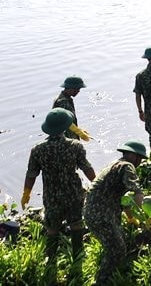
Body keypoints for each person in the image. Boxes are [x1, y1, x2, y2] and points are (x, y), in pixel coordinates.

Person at [22, 108, 96, 279]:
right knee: (77, 224)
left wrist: (26, 193)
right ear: (65, 128)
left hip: (52, 196)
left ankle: (50, 262)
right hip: (73, 194)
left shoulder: (38, 150)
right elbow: (87, 168)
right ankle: (77, 259)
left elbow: (31, 174)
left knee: (52, 229)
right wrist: (97, 184)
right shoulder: (75, 146)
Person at [84, 141, 147, 285]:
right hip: (101, 214)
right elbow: (136, 192)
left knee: (117, 244)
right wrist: (145, 217)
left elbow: (125, 200)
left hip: (94, 213)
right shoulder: (127, 166)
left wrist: (131, 218)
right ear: (134, 156)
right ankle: (101, 281)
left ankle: (114, 277)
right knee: (117, 250)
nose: (140, 162)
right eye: (140, 158)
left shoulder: (114, 165)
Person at [53, 75, 91, 141]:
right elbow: (65, 121)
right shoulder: (63, 102)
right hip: (64, 138)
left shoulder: (66, 98)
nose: (78, 91)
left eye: (79, 89)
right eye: (76, 89)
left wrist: (79, 130)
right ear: (69, 88)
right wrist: (79, 132)